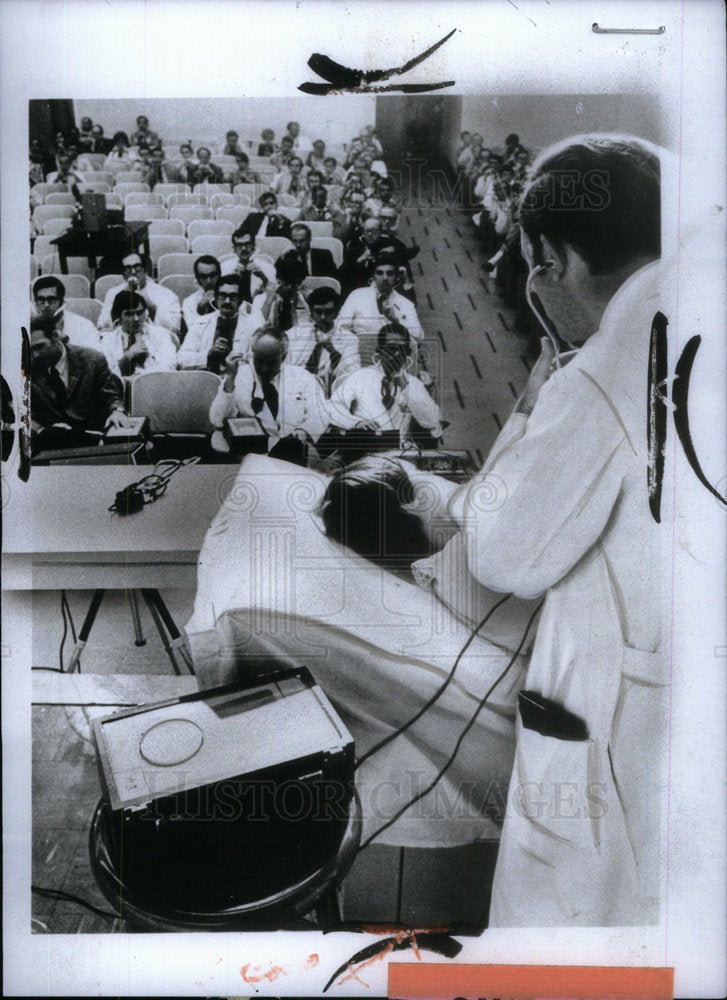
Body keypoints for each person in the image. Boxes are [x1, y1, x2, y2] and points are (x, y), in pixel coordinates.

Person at [449, 134, 668, 927]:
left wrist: (546, 391)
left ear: (549, 256)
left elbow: (505, 553)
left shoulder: (606, 370)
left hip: (615, 729)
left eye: (535, 263)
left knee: (574, 930)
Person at [209, 326, 329, 461]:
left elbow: (319, 414)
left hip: (295, 453)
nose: (264, 368)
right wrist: (230, 379)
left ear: (284, 356)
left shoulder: (303, 377)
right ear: (252, 353)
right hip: (252, 455)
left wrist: (304, 431)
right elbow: (216, 420)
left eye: (271, 362)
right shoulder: (239, 376)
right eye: (259, 361)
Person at [327, 322, 441, 442]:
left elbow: (431, 423)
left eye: (402, 349)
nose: (397, 354)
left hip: (402, 452)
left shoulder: (413, 384)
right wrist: (356, 423)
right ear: (380, 351)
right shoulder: (360, 377)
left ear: (408, 353)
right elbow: (333, 408)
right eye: (391, 349)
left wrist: (407, 387)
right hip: (366, 450)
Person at [29, 316, 129, 451]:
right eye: (30, 350)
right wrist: (41, 430)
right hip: (51, 445)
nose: (35, 356)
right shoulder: (27, 368)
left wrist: (117, 411)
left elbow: (111, 396)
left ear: (55, 336)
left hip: (94, 441)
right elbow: (20, 412)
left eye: (40, 347)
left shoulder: (93, 360)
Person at [337, 253, 423, 362]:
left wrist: (395, 321)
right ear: (373, 276)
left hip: (393, 360)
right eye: (380, 273)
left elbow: (417, 338)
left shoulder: (406, 304)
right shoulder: (357, 295)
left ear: (396, 277)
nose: (385, 278)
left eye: (390, 273)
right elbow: (340, 327)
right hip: (358, 356)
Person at [286, 286, 360, 396]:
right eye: (318, 312)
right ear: (311, 313)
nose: (323, 317)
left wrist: (331, 350)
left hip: (328, 397)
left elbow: (352, 377)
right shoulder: (294, 334)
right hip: (294, 392)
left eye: (329, 312)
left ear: (336, 313)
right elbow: (284, 368)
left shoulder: (350, 340)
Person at [177, 273, 258, 372]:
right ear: (215, 297)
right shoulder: (200, 322)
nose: (227, 301)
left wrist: (232, 355)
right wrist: (209, 354)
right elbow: (181, 359)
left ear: (241, 300)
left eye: (233, 296)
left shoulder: (254, 325)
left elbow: (256, 363)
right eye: (222, 296)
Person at [97, 252, 181, 335]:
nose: (133, 272)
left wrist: (151, 306)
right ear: (123, 274)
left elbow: (175, 329)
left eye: (137, 267)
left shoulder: (165, 294)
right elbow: (102, 326)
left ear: (145, 270)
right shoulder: (113, 293)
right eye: (128, 268)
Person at [100, 290, 178, 377]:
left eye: (140, 313)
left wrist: (140, 378)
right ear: (119, 317)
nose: (136, 319)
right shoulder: (108, 340)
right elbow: (105, 375)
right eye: (129, 314)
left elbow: (170, 366)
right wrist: (127, 358)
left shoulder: (160, 334)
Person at [32, 276, 102, 351]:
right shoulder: (28, 326)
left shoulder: (84, 326)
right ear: (35, 302)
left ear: (61, 301)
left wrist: (67, 344)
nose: (46, 305)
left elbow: (93, 358)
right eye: (41, 299)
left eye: (51, 299)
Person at [258, 254, 309, 332]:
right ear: (278, 279)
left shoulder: (305, 300)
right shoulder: (263, 298)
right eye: (286, 283)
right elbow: (256, 328)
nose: (289, 287)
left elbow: (306, 330)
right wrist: (268, 301)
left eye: (294, 283)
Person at [218, 227, 276, 296]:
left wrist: (264, 279)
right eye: (239, 245)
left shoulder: (267, 267)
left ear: (254, 246)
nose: (244, 248)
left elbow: (273, 294)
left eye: (248, 244)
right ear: (234, 248)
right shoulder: (224, 268)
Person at [181, 255, 221, 335]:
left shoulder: (231, 295)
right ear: (197, 278)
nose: (209, 281)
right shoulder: (189, 302)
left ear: (219, 274)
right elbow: (195, 332)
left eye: (212, 275)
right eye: (204, 277)